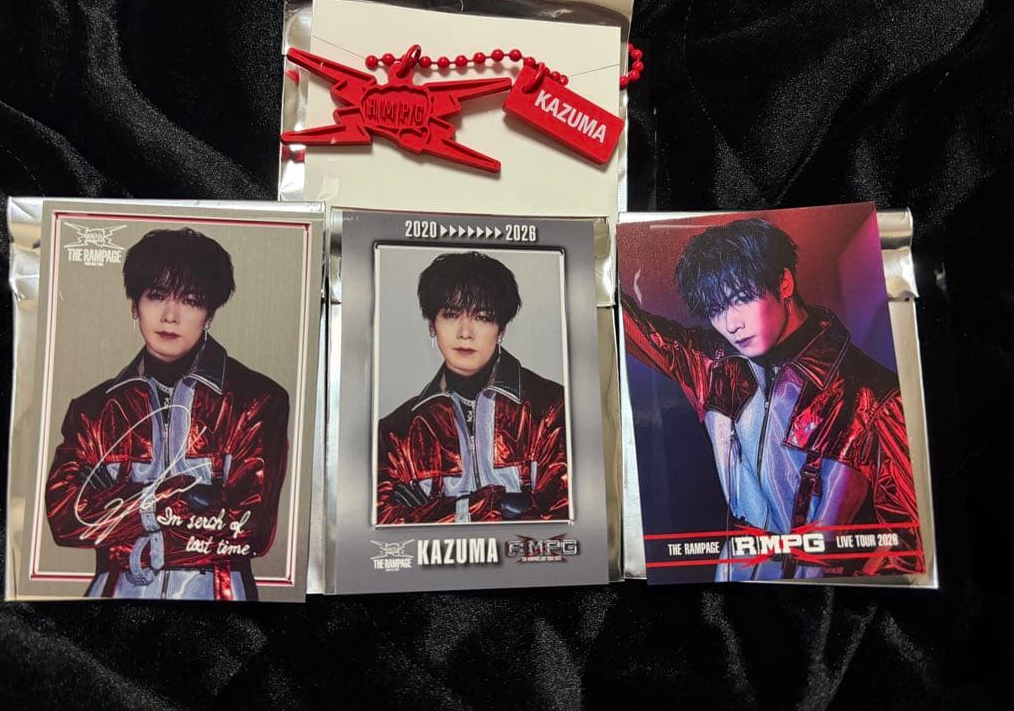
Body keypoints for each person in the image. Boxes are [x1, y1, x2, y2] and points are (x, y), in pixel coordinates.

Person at [621, 218, 922, 580]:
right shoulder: (713, 363)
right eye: (716, 309)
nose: (731, 324)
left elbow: (908, 546)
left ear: (784, 283)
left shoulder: (871, 396)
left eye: (741, 299)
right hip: (731, 573)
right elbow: (627, 323)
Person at [45, 227, 290, 600]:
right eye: (156, 296)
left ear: (210, 313)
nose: (170, 316)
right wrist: (166, 499)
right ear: (135, 305)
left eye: (190, 301)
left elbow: (249, 528)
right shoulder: (93, 410)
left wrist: (125, 529)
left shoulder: (257, 400)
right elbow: (66, 518)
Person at [376, 251, 568, 524]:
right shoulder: (397, 433)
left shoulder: (550, 410)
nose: (465, 333)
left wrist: (432, 511)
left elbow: (565, 517)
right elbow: (381, 523)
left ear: (501, 329)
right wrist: (499, 504)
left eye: (482, 317)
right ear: (432, 325)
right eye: (451, 315)